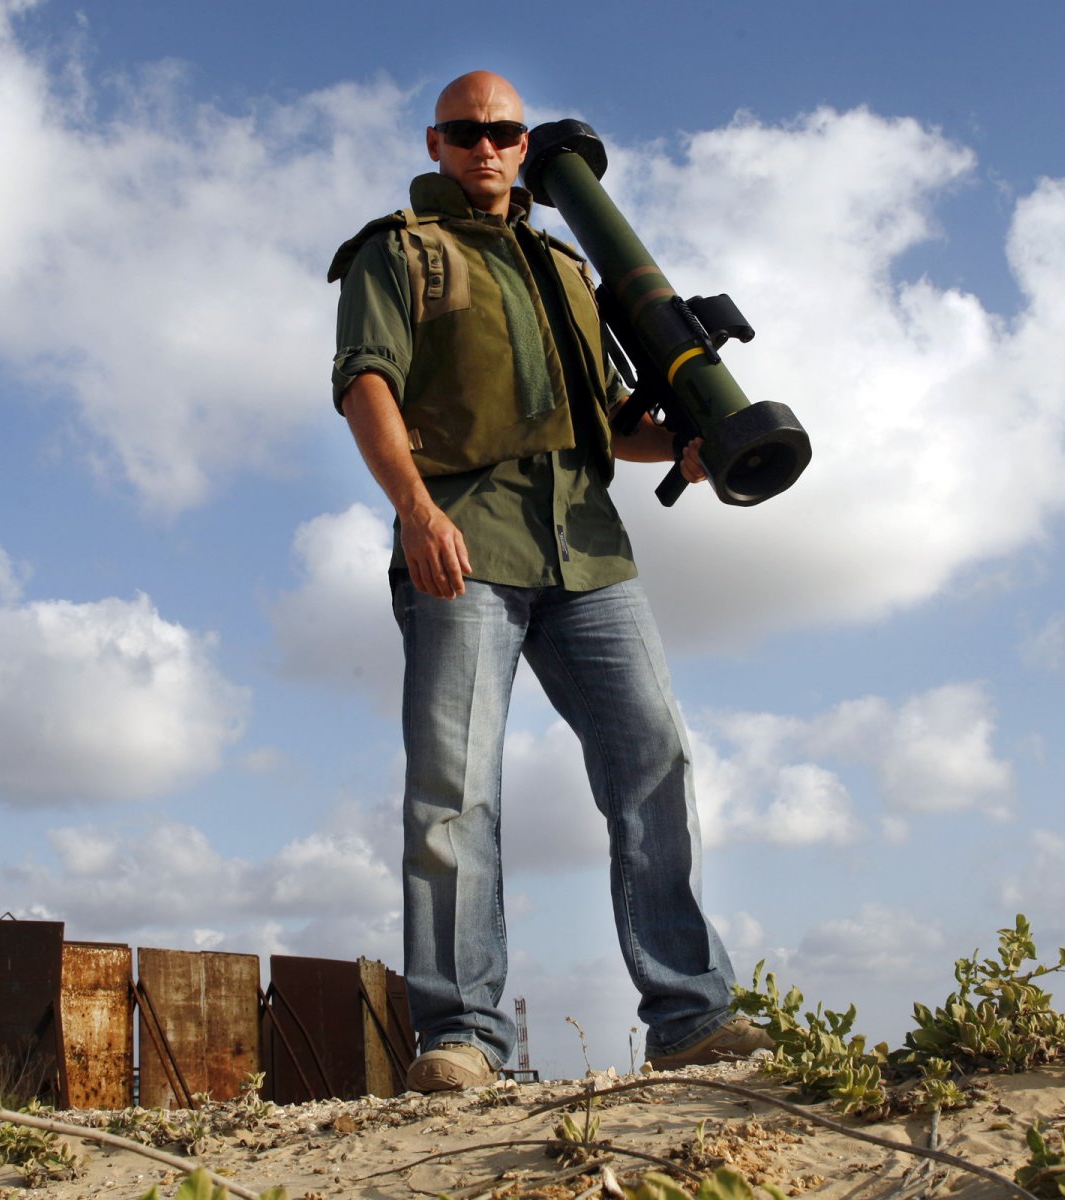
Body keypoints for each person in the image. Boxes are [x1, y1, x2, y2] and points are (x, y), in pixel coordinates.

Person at [327, 70, 771, 1092]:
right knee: (454, 793)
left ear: (526, 146)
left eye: (504, 132)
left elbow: (613, 420)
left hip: (589, 552)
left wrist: (689, 449)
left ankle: (693, 1015)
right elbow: (365, 386)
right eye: (465, 132)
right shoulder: (397, 253)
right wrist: (417, 510)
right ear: (436, 142)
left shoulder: (569, 267)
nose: (487, 147)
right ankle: (462, 1038)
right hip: (463, 543)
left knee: (653, 761)